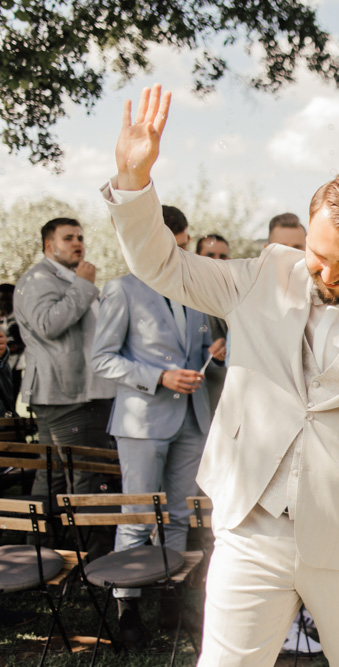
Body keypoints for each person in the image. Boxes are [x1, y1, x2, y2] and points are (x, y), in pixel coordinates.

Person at [101, 85, 339, 666]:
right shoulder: (262, 274)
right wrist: (134, 182)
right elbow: (160, 263)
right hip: (252, 525)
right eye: (319, 254)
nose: (328, 272)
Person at [92, 204, 215, 644]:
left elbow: (197, 344)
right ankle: (128, 613)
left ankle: (172, 605)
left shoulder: (193, 290)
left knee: (180, 515)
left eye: (185, 246)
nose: (182, 254)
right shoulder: (121, 289)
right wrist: (159, 377)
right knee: (138, 516)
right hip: (142, 420)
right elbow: (101, 359)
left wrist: (214, 347)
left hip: (192, 418)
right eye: (176, 246)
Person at [13, 218, 115, 498]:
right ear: (49, 245)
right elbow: (48, 325)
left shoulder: (69, 279)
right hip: (68, 395)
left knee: (55, 475)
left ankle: (44, 541)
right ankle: (91, 543)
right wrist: (84, 285)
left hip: (75, 393)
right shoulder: (38, 280)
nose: (78, 243)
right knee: (88, 474)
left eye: (80, 238)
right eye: (68, 238)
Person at [194, 234, 231, 415]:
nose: (217, 261)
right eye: (210, 255)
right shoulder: (185, 294)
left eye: (222, 256)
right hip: (199, 400)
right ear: (196, 256)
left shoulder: (235, 295)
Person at [0, 284, 25, 402]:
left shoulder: (20, 318)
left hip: (14, 366)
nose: (5, 303)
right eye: (1, 299)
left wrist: (12, 347)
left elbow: (25, 342)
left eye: (8, 300)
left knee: (10, 399)